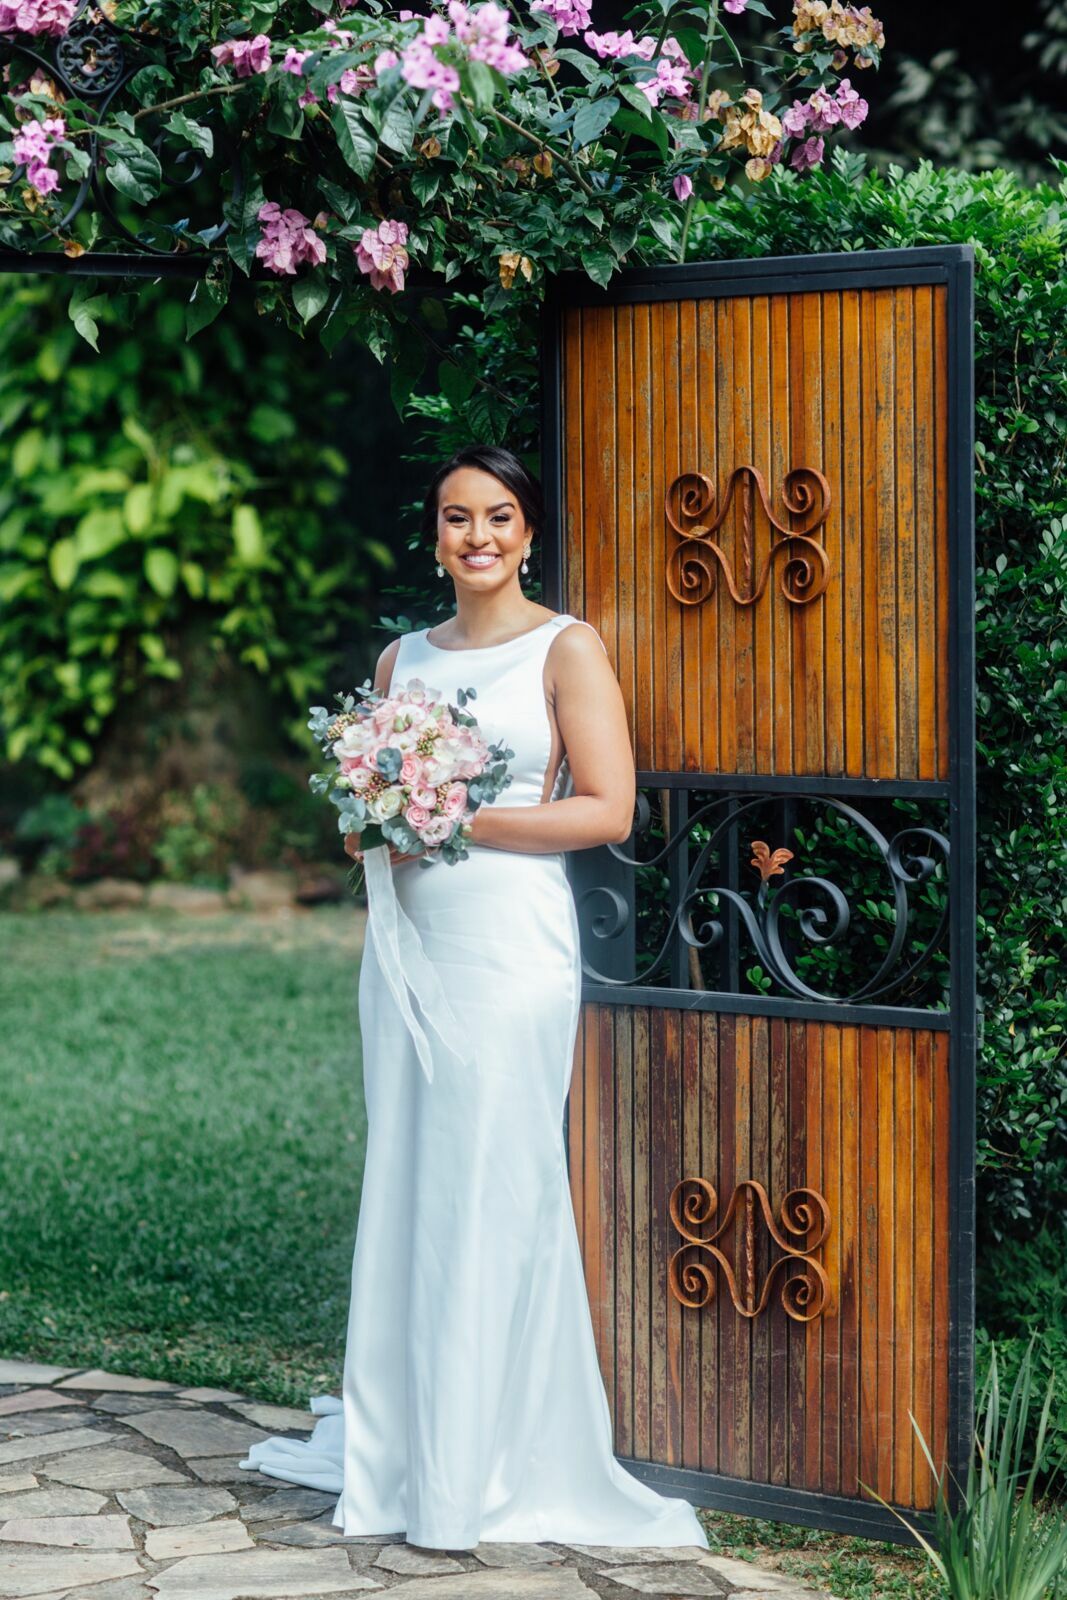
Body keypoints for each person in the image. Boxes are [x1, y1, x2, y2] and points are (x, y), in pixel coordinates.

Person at [239, 444, 709, 1553]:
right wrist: (376, 811)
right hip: (409, 947)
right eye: (456, 519)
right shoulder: (402, 658)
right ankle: (405, 1450)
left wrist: (453, 816)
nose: (477, 537)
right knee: (410, 1181)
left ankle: (487, 1459)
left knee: (496, 1179)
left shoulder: (566, 648)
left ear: (529, 531)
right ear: (435, 533)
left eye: (497, 516)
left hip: (509, 947)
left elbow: (607, 811)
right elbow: (366, 820)